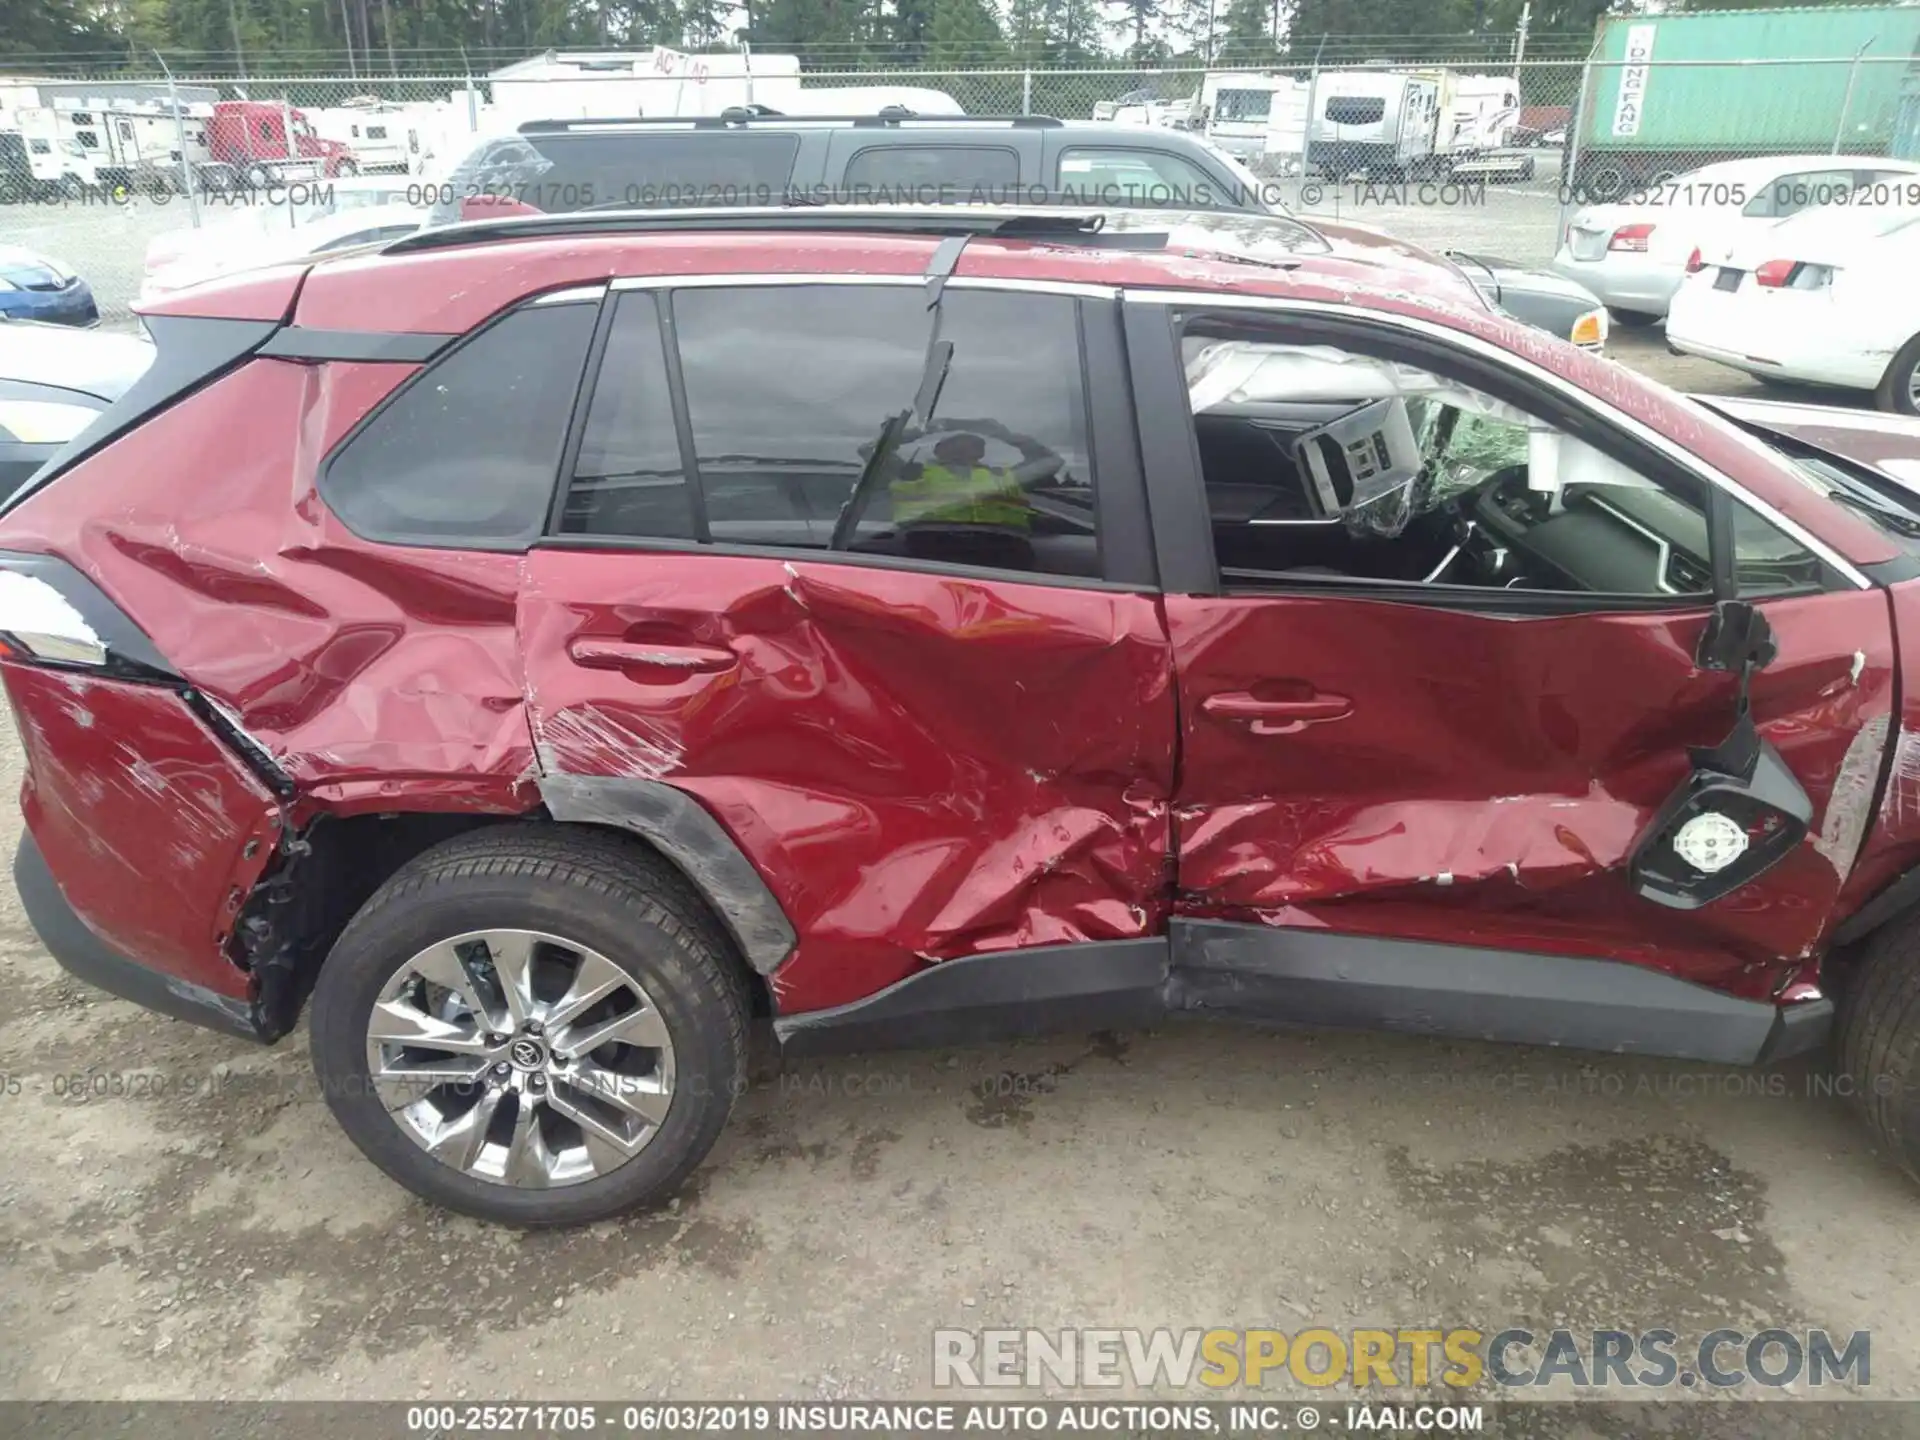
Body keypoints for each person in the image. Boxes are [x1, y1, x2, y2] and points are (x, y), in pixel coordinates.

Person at [888, 429, 1037, 568]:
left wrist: (1001, 432)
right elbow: (872, 451)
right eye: (956, 443)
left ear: (981, 451)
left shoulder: (1002, 474)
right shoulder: (913, 472)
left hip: (1002, 545)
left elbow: (1050, 460)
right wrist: (913, 432)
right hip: (929, 543)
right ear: (939, 450)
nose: (964, 448)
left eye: (973, 444)